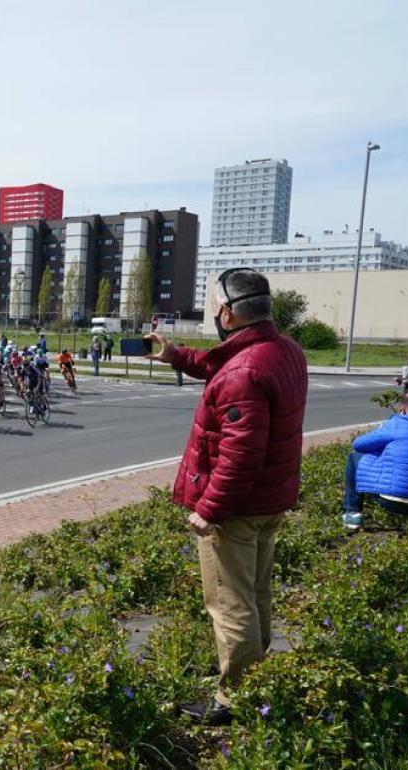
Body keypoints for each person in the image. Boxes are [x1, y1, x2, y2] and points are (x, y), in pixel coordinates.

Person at [147, 267, 308, 726]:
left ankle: (235, 700)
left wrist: (209, 509)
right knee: (256, 592)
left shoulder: (246, 370)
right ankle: (256, 678)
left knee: (230, 602)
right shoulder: (282, 350)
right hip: (268, 501)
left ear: (225, 312)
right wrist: (177, 356)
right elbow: (224, 364)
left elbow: (240, 455)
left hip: (236, 510)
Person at [341, 391, 408, 531]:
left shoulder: (398, 423)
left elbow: (359, 444)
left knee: (355, 457)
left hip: (394, 500)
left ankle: (352, 514)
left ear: (404, 409)